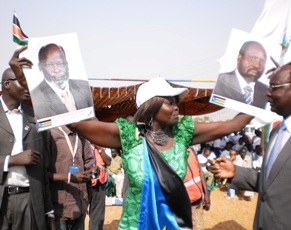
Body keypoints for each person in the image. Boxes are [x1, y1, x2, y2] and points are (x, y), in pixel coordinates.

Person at [10, 46, 252, 229]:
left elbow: (236, 122)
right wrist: (27, 81)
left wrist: (257, 84)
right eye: (169, 102)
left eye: (176, 101)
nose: (177, 107)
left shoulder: (183, 131)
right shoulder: (128, 135)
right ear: (151, 106)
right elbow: (72, 118)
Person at [209, 63, 291, 229]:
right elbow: (273, 184)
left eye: (274, 87)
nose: (268, 92)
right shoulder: (278, 131)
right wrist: (236, 173)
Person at [0, 68, 54, 230]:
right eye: (22, 82)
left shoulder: (37, 119)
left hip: (29, 201)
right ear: (7, 84)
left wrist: (49, 211)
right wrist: (12, 160)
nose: (28, 87)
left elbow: (44, 169)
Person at [46, 126, 95, 230]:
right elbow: (42, 174)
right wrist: (69, 177)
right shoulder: (51, 133)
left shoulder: (81, 135)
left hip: (80, 204)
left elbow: (89, 161)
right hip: (60, 208)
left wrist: (91, 170)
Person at [31, 43, 93, 119]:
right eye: (50, 65)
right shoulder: (34, 98)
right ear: (40, 67)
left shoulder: (84, 86)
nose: (56, 70)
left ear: (66, 64)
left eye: (60, 64)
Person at [213, 41, 268, 109]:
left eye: (262, 61)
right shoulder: (218, 83)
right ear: (240, 58)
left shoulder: (267, 92)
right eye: (253, 58)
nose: (258, 65)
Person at [184, 147, 210, 230]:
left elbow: (200, 171)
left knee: (199, 226)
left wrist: (206, 194)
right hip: (186, 202)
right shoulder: (169, 154)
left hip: (199, 197)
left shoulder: (190, 150)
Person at [88, 146, 111, 230]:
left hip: (100, 183)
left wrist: (100, 148)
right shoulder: (82, 141)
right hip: (84, 182)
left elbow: (108, 162)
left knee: (98, 216)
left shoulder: (103, 144)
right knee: (80, 214)